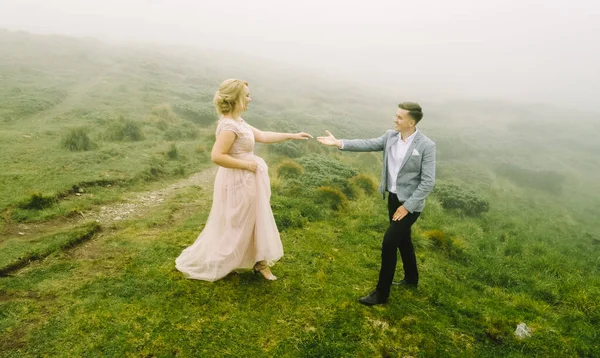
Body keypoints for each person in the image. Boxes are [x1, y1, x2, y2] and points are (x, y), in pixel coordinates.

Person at [176, 79, 312, 281]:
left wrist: (291, 135)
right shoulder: (229, 127)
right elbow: (217, 156)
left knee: (254, 218)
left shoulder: (239, 122)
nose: (250, 98)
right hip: (238, 179)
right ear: (236, 98)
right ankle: (237, 260)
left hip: (249, 179)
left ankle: (259, 262)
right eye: (247, 95)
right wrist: (247, 165)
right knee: (240, 220)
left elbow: (263, 136)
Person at [317, 102, 435, 305]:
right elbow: (367, 143)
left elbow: (428, 182)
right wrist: (339, 143)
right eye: (396, 116)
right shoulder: (390, 136)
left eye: (399, 117)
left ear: (411, 122)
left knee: (390, 243)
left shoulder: (426, 146)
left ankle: (381, 293)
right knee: (403, 239)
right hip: (392, 198)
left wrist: (407, 207)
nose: (395, 119)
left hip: (410, 204)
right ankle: (411, 279)